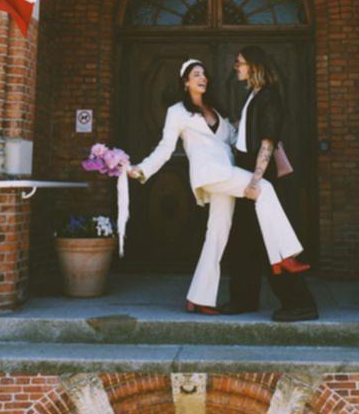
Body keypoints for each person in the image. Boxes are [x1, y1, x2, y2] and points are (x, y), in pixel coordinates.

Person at [128, 59, 310, 314]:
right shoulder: (177, 111)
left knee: (216, 234)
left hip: (226, 172)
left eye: (204, 74)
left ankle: (198, 297)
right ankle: (286, 254)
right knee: (264, 188)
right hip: (210, 174)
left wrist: (253, 129)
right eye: (196, 74)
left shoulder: (216, 111)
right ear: (185, 82)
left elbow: (234, 140)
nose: (203, 78)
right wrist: (143, 168)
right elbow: (165, 148)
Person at [220, 47, 318, 322]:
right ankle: (244, 298)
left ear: (253, 66)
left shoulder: (269, 97)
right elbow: (250, 131)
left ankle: (301, 303)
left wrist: (255, 180)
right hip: (244, 169)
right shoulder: (254, 95)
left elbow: (267, 141)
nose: (235, 68)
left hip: (255, 174)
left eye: (239, 63)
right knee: (244, 240)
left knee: (270, 239)